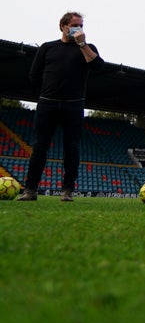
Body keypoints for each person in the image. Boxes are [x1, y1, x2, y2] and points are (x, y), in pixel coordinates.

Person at [18, 12, 102, 202]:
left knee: (71, 148)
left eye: (81, 25)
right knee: (40, 146)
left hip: (74, 105)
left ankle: (67, 190)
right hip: (48, 103)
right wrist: (48, 94)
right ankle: (30, 189)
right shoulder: (48, 48)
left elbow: (98, 67)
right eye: (74, 25)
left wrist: (82, 44)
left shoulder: (87, 48)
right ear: (63, 26)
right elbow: (34, 76)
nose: (78, 29)